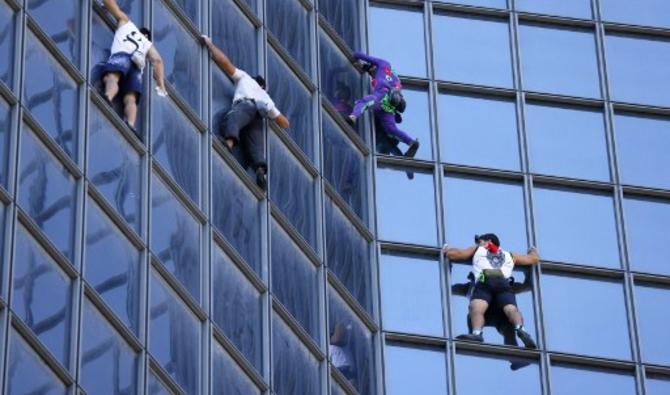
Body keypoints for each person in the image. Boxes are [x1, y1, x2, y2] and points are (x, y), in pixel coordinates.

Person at [200, 35, 290, 190]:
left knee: (233, 118)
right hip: (260, 114)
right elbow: (285, 123)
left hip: (246, 105)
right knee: (254, 145)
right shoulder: (266, 97)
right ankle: (259, 169)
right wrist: (270, 113)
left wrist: (210, 45)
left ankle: (229, 143)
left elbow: (225, 63)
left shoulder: (245, 78)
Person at [443, 233, 540, 349]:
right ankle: (521, 329)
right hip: (503, 282)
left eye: (479, 241)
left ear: (487, 241)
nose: (477, 244)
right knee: (511, 309)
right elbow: (533, 259)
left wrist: (446, 250)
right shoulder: (510, 255)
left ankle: (477, 334)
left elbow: (455, 255)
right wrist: (532, 250)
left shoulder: (478, 249)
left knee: (475, 308)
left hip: (486, 279)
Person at [99, 0, 167, 134]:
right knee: (131, 99)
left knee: (112, 78)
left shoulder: (127, 23)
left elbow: (114, 8)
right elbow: (158, 61)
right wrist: (161, 86)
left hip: (123, 55)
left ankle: (108, 97)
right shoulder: (148, 44)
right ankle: (130, 124)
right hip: (137, 67)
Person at [348, 52, 419, 158]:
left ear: (374, 66)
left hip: (380, 97)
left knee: (364, 101)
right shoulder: (396, 80)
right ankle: (411, 142)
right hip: (389, 107)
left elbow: (362, 56)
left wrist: (353, 56)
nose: (372, 75)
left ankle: (353, 117)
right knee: (391, 128)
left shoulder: (382, 64)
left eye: (371, 72)